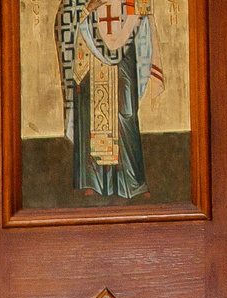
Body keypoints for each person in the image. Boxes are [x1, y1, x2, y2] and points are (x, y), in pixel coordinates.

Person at [60, 0, 164, 201]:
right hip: (90, 46)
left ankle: (132, 182)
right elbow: (67, 12)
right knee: (91, 112)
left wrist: (138, 14)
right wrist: (87, 8)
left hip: (125, 44)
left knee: (126, 112)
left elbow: (142, 6)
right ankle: (93, 181)